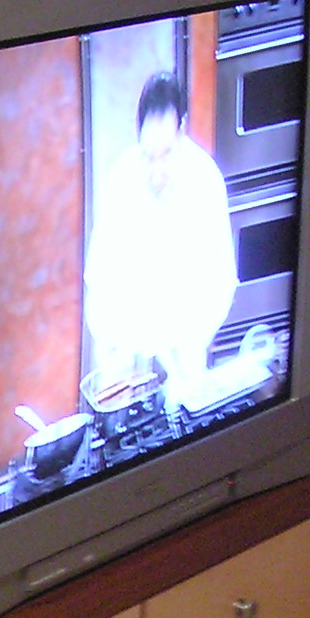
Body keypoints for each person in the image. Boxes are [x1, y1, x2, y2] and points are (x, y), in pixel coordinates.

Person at [83, 73, 239, 410]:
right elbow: (99, 275)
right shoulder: (121, 177)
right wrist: (114, 349)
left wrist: (187, 342)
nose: (156, 172)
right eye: (147, 156)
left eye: (166, 154)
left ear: (181, 129)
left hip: (184, 361)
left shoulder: (205, 181)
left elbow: (222, 282)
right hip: (126, 363)